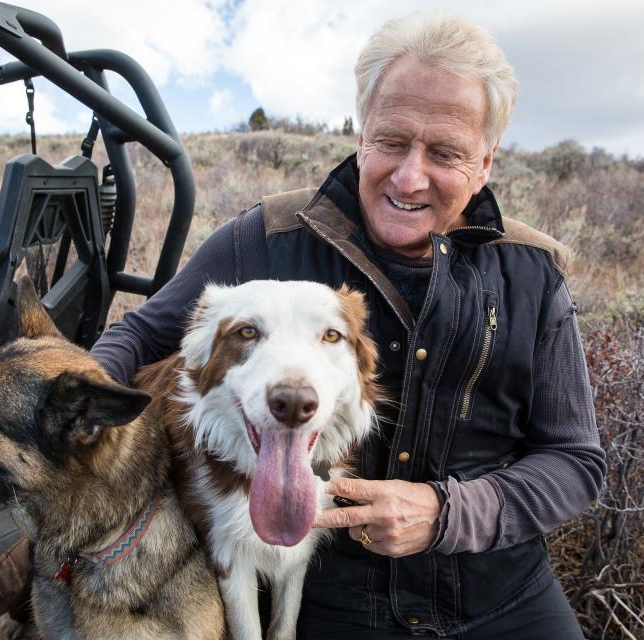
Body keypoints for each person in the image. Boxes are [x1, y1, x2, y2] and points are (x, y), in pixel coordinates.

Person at [91, 12, 605, 640]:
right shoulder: (266, 237)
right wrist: (77, 394)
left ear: (486, 161)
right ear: (362, 135)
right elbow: (141, 335)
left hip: (497, 593)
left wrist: (448, 513)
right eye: (391, 142)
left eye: (444, 153)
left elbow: (575, 461)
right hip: (326, 592)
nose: (409, 177)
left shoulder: (532, 275)